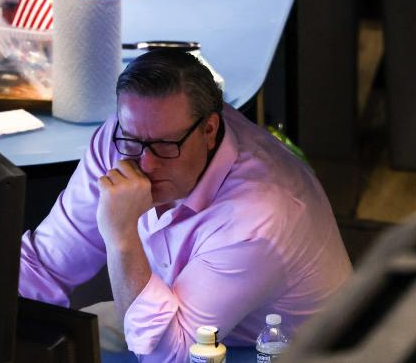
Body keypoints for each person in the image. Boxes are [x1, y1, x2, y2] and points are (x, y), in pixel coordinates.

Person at [19, 49, 352, 361]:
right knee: (64, 332)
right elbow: (43, 265)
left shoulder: (257, 219)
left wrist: (121, 238)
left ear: (209, 130)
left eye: (165, 145)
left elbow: (170, 357)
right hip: (179, 320)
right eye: (133, 140)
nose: (145, 164)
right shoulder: (123, 139)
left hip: (278, 350)